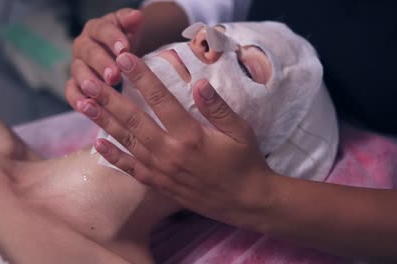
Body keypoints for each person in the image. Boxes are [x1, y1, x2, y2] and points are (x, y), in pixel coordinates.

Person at [65, 2, 397, 262]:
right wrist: (124, 34)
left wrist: (257, 195)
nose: (203, 36)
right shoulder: (10, 150)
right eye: (218, 30)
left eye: (248, 68)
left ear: (265, 158)